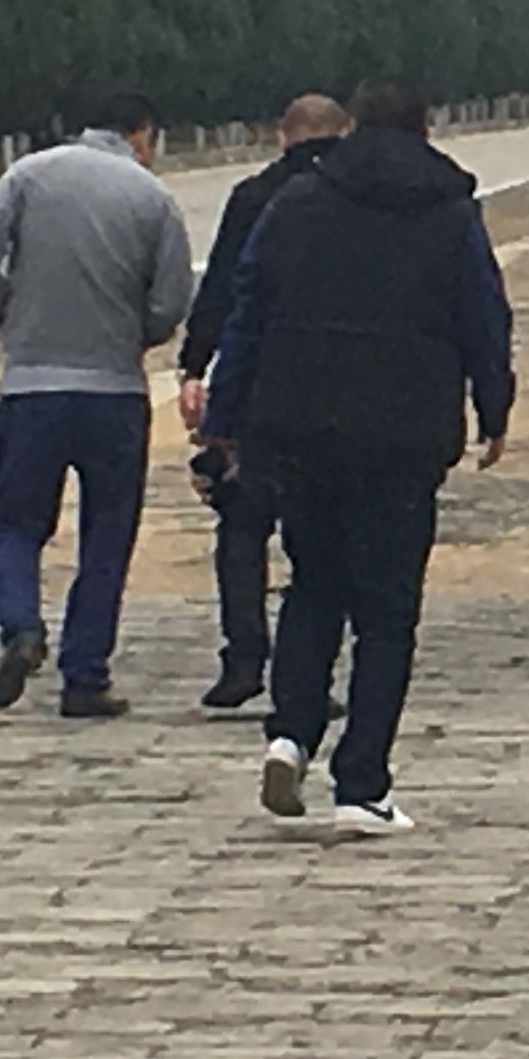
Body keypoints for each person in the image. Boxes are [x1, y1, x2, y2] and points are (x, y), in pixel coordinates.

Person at [199, 79, 513, 834]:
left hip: (299, 426)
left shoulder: (297, 205)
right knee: (387, 610)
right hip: (404, 436)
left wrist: (225, 416)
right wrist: (493, 409)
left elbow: (249, 313)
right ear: (426, 131)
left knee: (313, 587)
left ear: (351, 130)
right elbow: (484, 319)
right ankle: (362, 783)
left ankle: (290, 734)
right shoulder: (448, 213)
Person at [0, 93, 193, 718]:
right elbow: (172, 302)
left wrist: (13, 309)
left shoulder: (29, 174)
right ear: (141, 133)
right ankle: (85, 675)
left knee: (13, 523)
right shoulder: (152, 198)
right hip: (114, 391)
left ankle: (21, 625)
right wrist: (135, 331)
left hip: (32, 385)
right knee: (106, 534)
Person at [177, 93, 351, 710]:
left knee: (243, 525)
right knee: (320, 534)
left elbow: (226, 288)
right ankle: (309, 676)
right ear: (345, 132)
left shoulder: (254, 196)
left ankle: (243, 657)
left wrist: (195, 367)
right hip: (333, 386)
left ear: (283, 135)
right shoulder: (354, 198)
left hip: (255, 386)